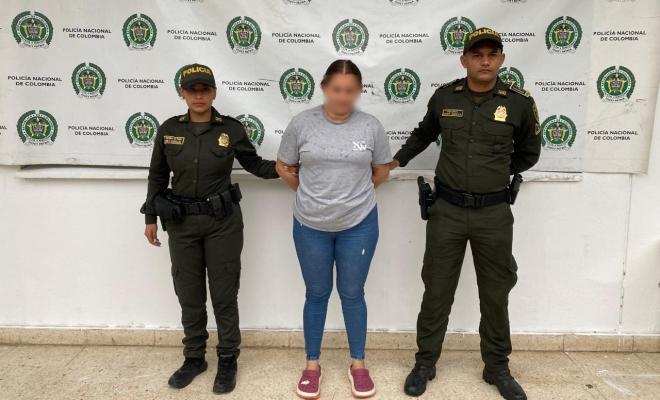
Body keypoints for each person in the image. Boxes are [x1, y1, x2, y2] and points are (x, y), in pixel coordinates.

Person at [390, 28, 542, 400]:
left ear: (501, 59)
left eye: (492, 54)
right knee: (437, 290)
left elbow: (529, 153)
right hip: (447, 211)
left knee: (496, 293)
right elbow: (423, 133)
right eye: (477, 55)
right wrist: (396, 160)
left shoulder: (520, 103)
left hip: (494, 214)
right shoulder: (445, 97)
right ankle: (425, 362)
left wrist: (493, 171)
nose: (485, 61)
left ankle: (497, 367)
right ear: (464, 60)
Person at [140, 63, 280, 394]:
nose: (199, 96)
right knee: (189, 293)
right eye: (193, 90)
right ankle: (194, 358)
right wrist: (149, 217)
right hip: (182, 225)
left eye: (205, 90)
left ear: (214, 93)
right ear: (182, 93)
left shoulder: (231, 129)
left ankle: (228, 358)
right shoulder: (168, 130)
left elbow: (254, 164)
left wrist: (286, 168)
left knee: (224, 293)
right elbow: (157, 175)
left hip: (222, 224)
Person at [276, 59, 392, 399]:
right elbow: (283, 165)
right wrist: (310, 195)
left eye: (350, 91)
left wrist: (352, 198)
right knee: (316, 293)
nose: (343, 97)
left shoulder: (370, 126)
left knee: (353, 294)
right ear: (325, 88)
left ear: (359, 91)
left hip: (359, 225)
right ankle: (312, 365)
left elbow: (381, 170)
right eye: (337, 89)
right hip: (310, 225)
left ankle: (358, 364)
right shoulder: (302, 123)